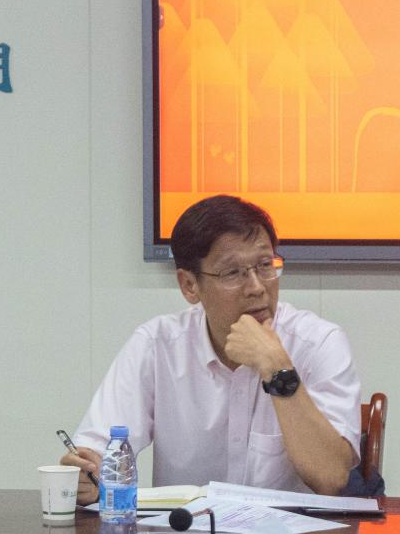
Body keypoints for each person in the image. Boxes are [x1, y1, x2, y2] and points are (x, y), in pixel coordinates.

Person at [62, 195, 360, 501]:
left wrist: (277, 368)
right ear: (189, 285)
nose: (257, 287)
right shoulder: (157, 345)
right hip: (183, 529)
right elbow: (98, 452)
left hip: (291, 531)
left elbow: (331, 478)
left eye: (265, 265)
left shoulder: (319, 343)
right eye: (232, 273)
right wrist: (88, 473)